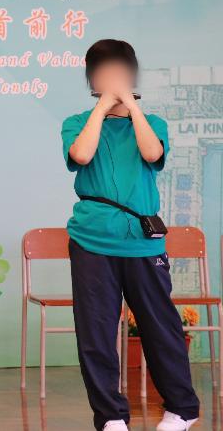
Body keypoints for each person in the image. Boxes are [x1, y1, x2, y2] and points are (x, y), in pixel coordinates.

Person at [62, 39, 200, 431]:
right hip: (91, 241)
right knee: (96, 333)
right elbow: (82, 156)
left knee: (160, 325)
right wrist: (104, 106)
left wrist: (131, 106)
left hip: (142, 241)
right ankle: (110, 417)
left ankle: (182, 409)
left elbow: (153, 154)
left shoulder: (151, 122)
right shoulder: (76, 122)